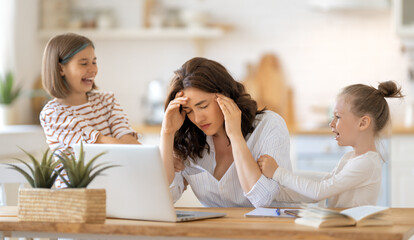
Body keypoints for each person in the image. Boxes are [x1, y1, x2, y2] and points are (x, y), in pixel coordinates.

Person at [160, 57, 293, 208]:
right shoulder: (190, 136)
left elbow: (262, 199)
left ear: (225, 95)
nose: (197, 118)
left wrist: (235, 135)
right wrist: (167, 133)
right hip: (217, 230)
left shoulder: (269, 125)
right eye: (188, 111)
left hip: (270, 228)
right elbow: (165, 198)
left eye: (203, 106)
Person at [258, 81, 404, 208]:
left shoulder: (366, 163)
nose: (331, 123)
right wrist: (272, 193)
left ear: (363, 123)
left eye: (338, 117)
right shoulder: (350, 157)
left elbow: (319, 191)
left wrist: (277, 172)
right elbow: (319, 190)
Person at [40, 33, 140, 188]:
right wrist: (152, 159)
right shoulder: (53, 114)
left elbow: (126, 137)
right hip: (76, 198)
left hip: (115, 189)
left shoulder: (107, 100)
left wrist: (155, 160)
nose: (93, 69)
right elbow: (98, 142)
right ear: (61, 68)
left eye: (94, 62)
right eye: (84, 63)